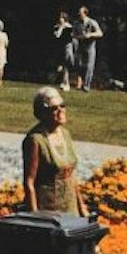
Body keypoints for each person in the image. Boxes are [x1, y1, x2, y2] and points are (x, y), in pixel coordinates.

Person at [21, 87, 83, 216]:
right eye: (54, 108)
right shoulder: (35, 140)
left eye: (62, 106)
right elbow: (29, 182)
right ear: (43, 113)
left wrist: (82, 207)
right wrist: (34, 215)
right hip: (48, 210)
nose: (61, 111)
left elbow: (72, 176)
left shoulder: (66, 134)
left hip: (71, 209)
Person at [75, 6, 103, 90]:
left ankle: (86, 85)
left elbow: (100, 33)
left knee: (89, 66)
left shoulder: (92, 22)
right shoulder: (77, 23)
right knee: (79, 65)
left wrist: (90, 35)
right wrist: (80, 37)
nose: (79, 14)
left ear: (85, 13)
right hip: (80, 46)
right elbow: (73, 34)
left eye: (80, 12)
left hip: (90, 47)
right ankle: (79, 83)